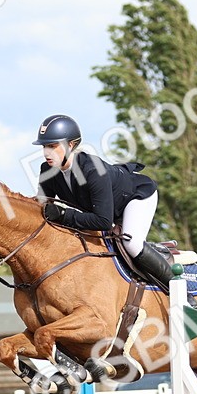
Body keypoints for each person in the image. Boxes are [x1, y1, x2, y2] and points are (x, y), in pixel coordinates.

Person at [31, 114, 175, 292]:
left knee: (132, 243)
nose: (46, 153)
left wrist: (62, 214)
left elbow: (103, 222)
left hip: (135, 197)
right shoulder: (47, 170)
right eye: (45, 146)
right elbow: (42, 206)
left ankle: (180, 290)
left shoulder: (93, 171)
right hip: (107, 207)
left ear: (71, 145)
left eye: (52, 146)